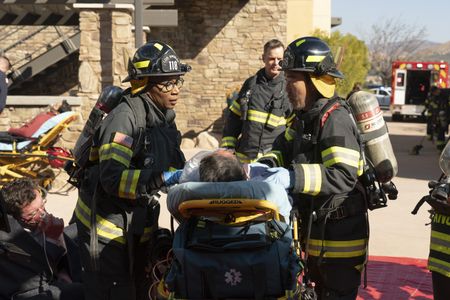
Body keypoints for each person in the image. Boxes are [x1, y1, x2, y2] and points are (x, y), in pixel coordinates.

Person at [73, 40, 189, 300]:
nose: (175, 90)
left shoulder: (163, 117)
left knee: (141, 285)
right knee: (115, 291)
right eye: (166, 83)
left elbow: (173, 160)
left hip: (137, 221)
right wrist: (162, 178)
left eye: (177, 81)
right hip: (106, 227)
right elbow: (112, 179)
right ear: (144, 84)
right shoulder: (124, 120)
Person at [257, 36, 368, 300]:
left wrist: (292, 177)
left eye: (291, 79)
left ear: (313, 81)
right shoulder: (304, 119)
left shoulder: (335, 119)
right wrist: (259, 169)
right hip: (317, 234)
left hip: (340, 242)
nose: (285, 87)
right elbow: (281, 152)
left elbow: (342, 176)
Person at [0, 178, 83, 300]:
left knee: (81, 231)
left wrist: (63, 269)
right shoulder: (9, 239)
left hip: (53, 271)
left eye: (43, 205)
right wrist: (54, 238)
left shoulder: (39, 214)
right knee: (82, 292)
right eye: (32, 214)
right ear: (14, 217)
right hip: (30, 290)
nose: (42, 214)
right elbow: (33, 275)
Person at [168, 149, 292, 223]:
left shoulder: (185, 198)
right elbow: (284, 222)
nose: (231, 151)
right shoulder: (272, 193)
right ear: (243, 175)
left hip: (204, 246)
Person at [221, 39, 293, 163]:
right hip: (244, 157)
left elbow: (294, 129)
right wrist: (228, 147)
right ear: (263, 58)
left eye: (279, 59)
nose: (276, 63)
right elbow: (234, 118)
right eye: (271, 58)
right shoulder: (250, 84)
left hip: (272, 161)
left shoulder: (289, 87)